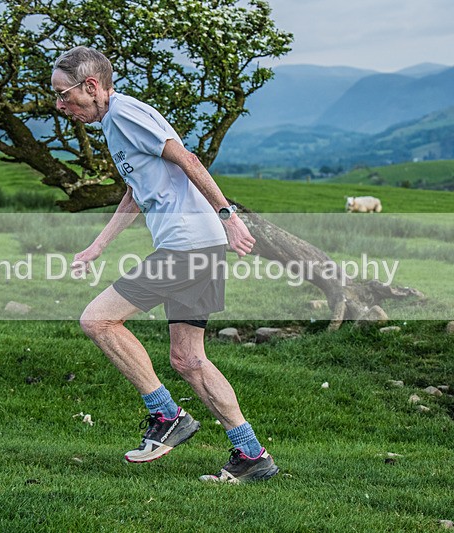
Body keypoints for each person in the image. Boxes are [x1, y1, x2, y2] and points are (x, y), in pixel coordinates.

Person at [52, 46, 278, 483]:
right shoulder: (115, 124)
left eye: (64, 95)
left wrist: (227, 215)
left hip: (188, 247)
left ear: (92, 86)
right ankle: (251, 455)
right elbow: (139, 191)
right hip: (200, 247)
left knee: (98, 321)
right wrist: (98, 246)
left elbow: (188, 160)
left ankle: (166, 415)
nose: (61, 106)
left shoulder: (124, 115)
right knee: (189, 360)